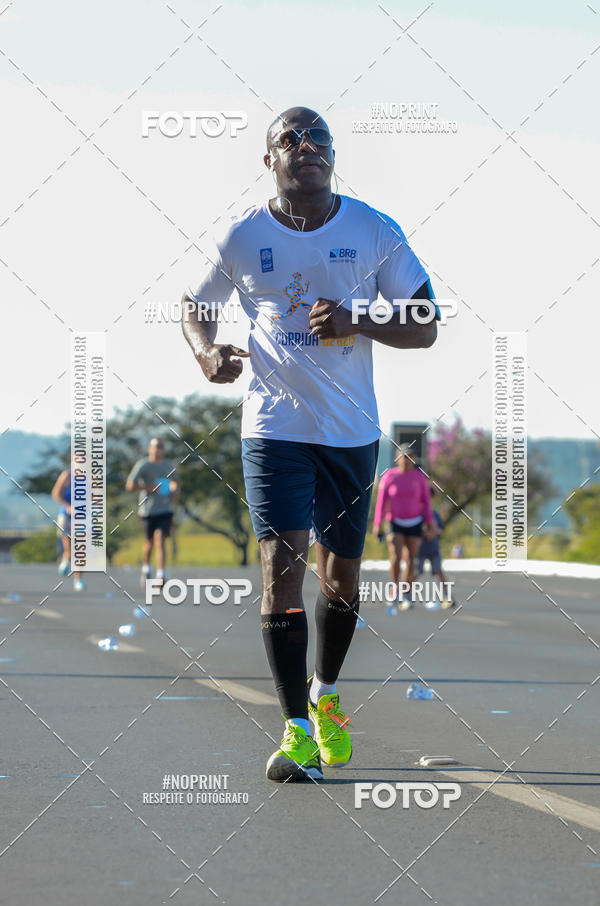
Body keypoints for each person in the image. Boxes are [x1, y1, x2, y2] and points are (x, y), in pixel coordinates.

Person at [182, 106, 439, 783]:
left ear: (332, 154)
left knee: (341, 577)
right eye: (290, 140)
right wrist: (207, 353)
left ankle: (325, 691)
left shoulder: (374, 229)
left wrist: (360, 319)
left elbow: (426, 322)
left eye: (318, 138)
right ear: (269, 160)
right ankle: (295, 728)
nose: (307, 148)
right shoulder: (244, 235)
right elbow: (195, 304)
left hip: (350, 432)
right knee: (281, 566)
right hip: (273, 427)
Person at [372, 446, 433, 607]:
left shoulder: (419, 477)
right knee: (396, 557)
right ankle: (394, 588)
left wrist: (430, 523)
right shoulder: (389, 476)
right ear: (398, 459)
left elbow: (426, 502)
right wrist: (377, 524)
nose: (407, 460)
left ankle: (407, 592)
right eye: (405, 457)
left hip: (414, 522)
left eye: (411, 457)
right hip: (395, 522)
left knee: (411, 558)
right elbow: (381, 502)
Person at [125, 439, 179, 588]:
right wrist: (149, 488)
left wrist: (174, 490)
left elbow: (176, 484)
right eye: (156, 447)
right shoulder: (143, 465)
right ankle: (146, 568)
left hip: (165, 510)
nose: (158, 449)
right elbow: (129, 485)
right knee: (149, 542)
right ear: (150, 449)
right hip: (147, 510)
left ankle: (161, 574)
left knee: (160, 539)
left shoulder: (169, 466)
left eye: (161, 447)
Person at [51, 468, 85, 592]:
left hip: (82, 517)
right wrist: (68, 506)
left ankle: (78, 580)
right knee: (69, 550)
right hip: (66, 516)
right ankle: (66, 558)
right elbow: (55, 494)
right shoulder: (67, 475)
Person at [417, 506, 455, 607]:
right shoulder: (417, 513)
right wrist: (424, 533)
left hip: (433, 549)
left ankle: (447, 596)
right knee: (415, 572)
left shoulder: (434, 513)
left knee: (439, 571)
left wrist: (433, 532)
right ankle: (405, 596)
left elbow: (441, 530)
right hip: (419, 549)